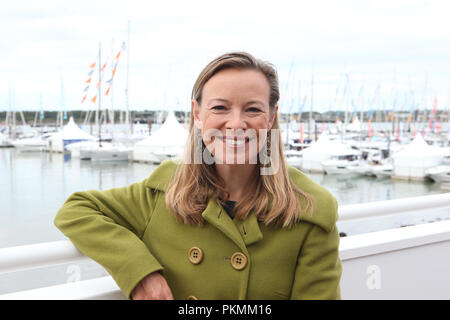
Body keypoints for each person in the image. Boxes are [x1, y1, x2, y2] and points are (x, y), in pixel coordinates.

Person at [54, 52, 342, 300]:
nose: (236, 123)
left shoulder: (311, 210)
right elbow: (76, 210)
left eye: (253, 109)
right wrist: (139, 271)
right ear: (197, 114)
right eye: (220, 107)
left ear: (270, 117)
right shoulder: (163, 190)